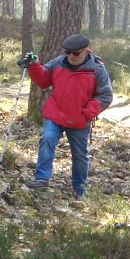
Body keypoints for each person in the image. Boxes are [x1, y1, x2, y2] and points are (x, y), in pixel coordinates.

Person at [20, 34, 113, 199]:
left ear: (86, 51)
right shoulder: (58, 62)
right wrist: (34, 65)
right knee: (47, 139)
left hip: (79, 121)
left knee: (80, 155)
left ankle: (80, 189)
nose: (71, 56)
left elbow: (105, 96)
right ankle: (41, 178)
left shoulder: (97, 69)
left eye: (75, 53)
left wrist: (86, 113)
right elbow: (43, 80)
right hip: (55, 114)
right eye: (67, 52)